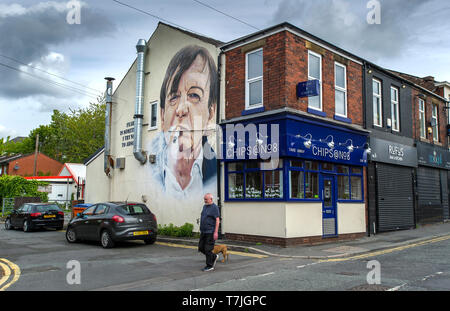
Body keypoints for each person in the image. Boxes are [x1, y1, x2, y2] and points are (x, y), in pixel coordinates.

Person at [149, 45, 217, 198]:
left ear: (210, 114)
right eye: (173, 97)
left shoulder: (217, 171)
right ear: (161, 116)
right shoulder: (150, 171)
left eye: (194, 95)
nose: (181, 109)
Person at [198, 193, 220, 271]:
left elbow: (217, 220)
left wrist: (216, 232)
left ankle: (210, 266)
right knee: (201, 248)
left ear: (211, 199)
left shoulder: (215, 208)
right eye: (204, 199)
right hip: (203, 231)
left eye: (206, 199)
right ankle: (213, 256)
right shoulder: (205, 206)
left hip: (210, 231)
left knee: (208, 249)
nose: (205, 201)